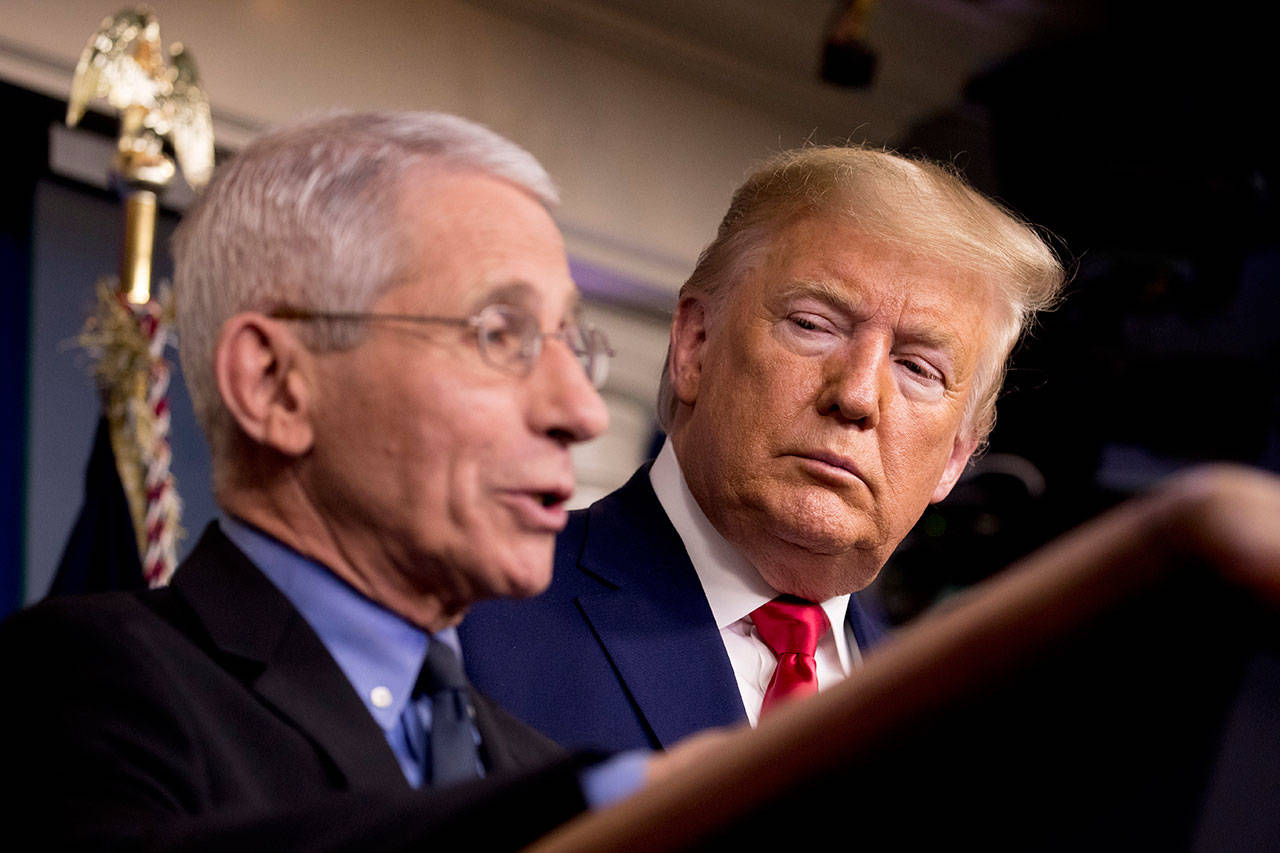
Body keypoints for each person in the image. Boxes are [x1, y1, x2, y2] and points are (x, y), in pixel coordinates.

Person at [0, 110, 641, 849]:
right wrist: (603, 800)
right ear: (275, 383)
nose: (583, 411)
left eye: (573, 343)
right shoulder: (85, 683)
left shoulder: (535, 763)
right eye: (501, 333)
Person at [460, 145, 1067, 751]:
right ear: (695, 343)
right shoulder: (471, 605)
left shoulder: (954, 731)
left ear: (957, 457)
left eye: (917, 367)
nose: (857, 396)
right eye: (812, 325)